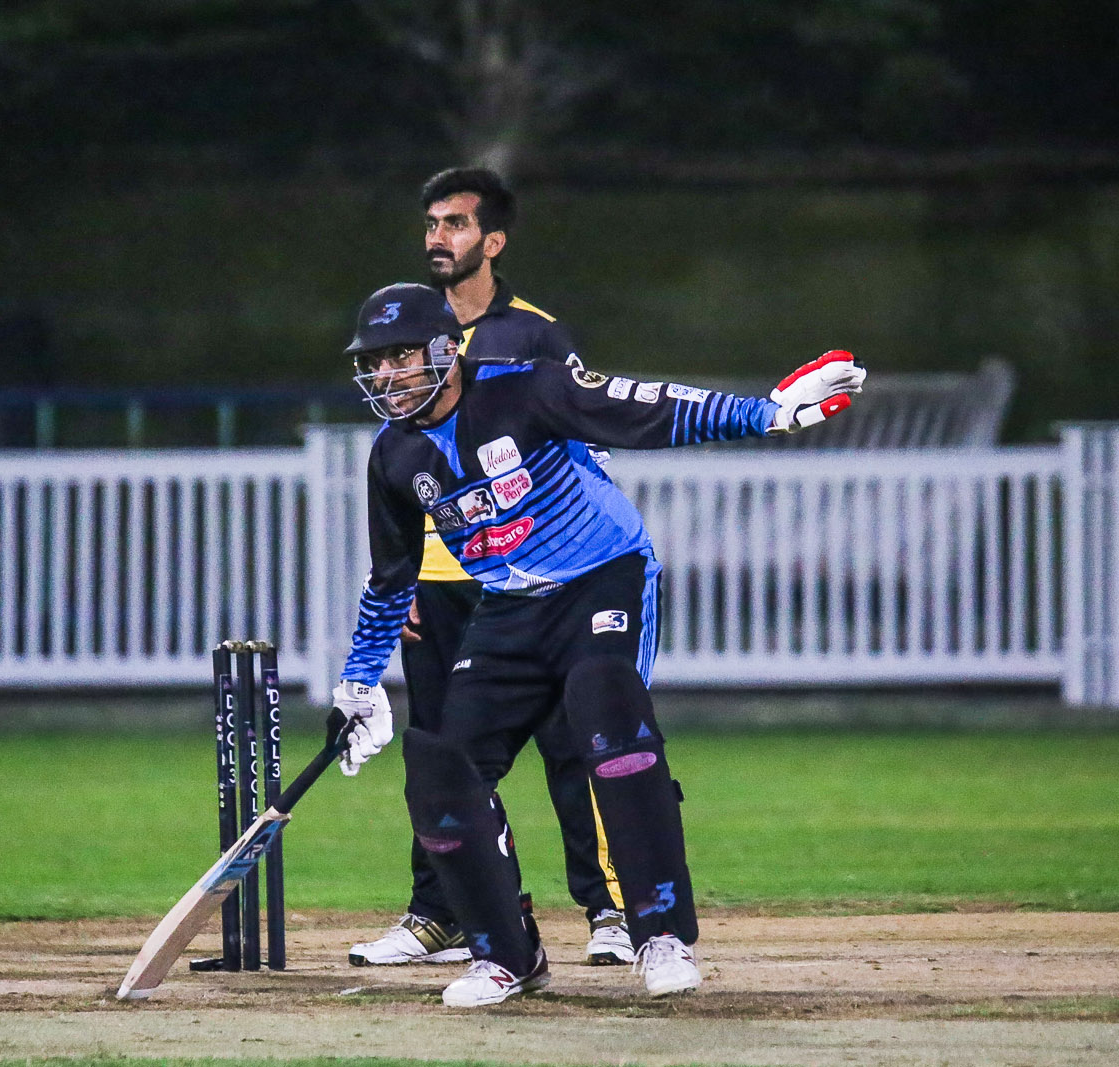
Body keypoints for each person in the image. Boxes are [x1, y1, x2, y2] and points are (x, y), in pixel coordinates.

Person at [333, 281, 862, 1006]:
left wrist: (767, 412)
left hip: (601, 576)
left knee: (607, 712)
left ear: (444, 349)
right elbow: (391, 578)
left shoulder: (525, 389)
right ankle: (506, 955)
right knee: (441, 768)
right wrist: (359, 682)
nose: (387, 375)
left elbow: (651, 408)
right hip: (509, 604)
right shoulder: (393, 457)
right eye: (374, 362)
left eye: (400, 357)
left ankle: (660, 935)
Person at [349, 168, 633, 970]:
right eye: (431, 223)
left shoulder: (534, 335)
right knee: (442, 751)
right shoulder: (404, 328)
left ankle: (609, 908)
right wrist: (402, 582)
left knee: (573, 739)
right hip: (440, 584)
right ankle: (443, 912)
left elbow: (585, 441)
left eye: (456, 224)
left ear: (493, 240)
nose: (438, 236)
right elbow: (406, 469)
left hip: (531, 575)